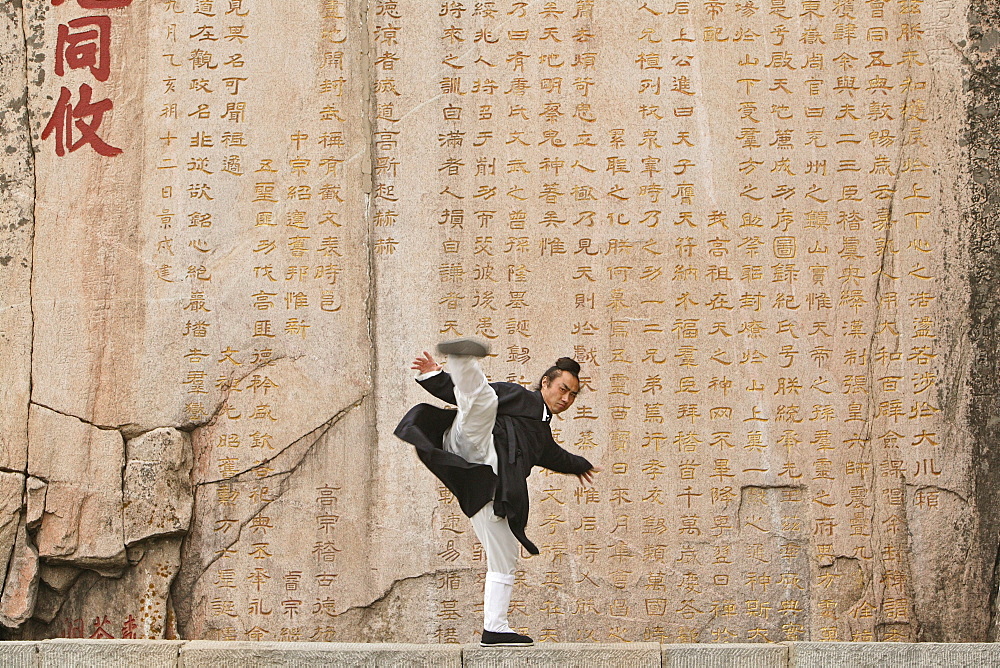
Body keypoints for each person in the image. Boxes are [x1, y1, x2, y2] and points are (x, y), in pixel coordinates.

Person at [394, 338, 602, 647]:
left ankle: (495, 629)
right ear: (546, 383)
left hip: (486, 484)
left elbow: (555, 456)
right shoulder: (518, 395)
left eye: (573, 394)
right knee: (483, 403)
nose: (567, 398)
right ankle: (463, 359)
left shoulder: (541, 434)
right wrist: (436, 376)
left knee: (505, 555)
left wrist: (580, 464)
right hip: (472, 441)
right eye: (563, 389)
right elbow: (464, 394)